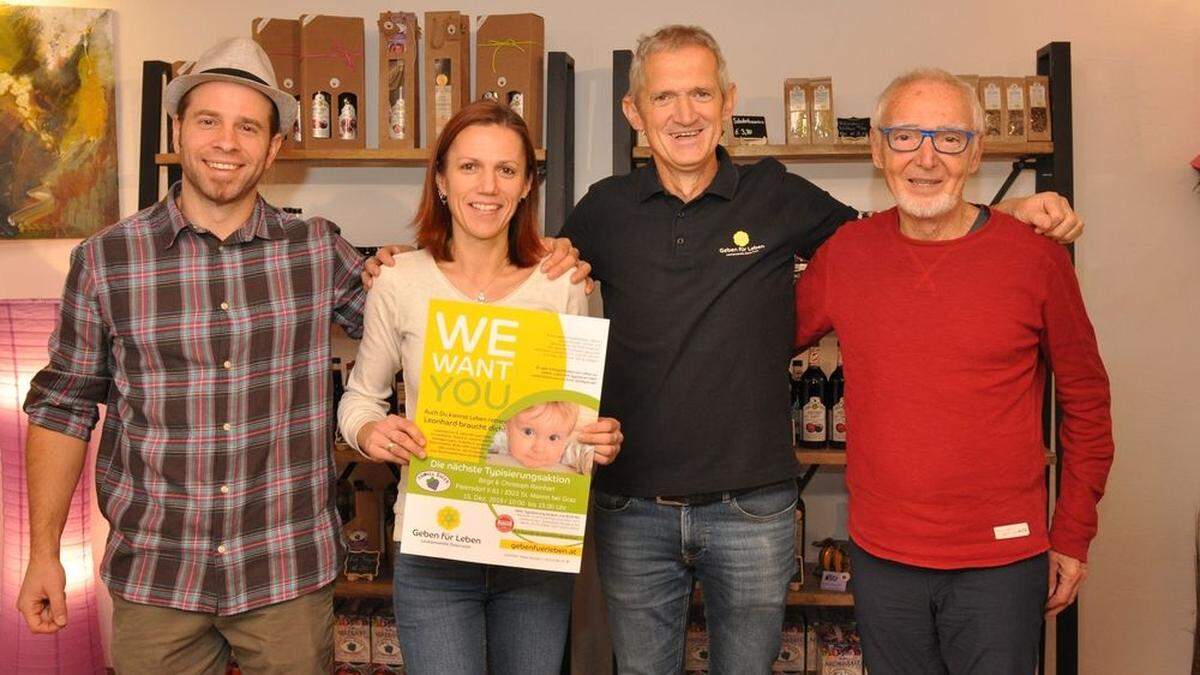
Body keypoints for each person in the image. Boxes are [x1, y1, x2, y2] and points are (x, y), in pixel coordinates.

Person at [15, 38, 586, 674]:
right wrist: (43, 552)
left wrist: (540, 274)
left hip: (284, 579)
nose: (227, 142)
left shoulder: (316, 252)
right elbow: (62, 408)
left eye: (248, 126)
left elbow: (434, 329)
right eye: (209, 121)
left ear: (275, 146)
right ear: (178, 130)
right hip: (158, 578)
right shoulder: (107, 260)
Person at [556, 25, 1087, 674]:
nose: (686, 114)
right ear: (634, 112)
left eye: (701, 93)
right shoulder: (601, 211)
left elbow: (900, 232)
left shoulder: (777, 194)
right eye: (664, 97)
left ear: (728, 101)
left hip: (751, 507)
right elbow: (523, 290)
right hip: (629, 504)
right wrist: (403, 267)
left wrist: (1006, 215)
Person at [793, 68, 1114, 674]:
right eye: (907, 136)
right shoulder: (847, 256)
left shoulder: (1036, 260)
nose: (926, 157)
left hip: (1002, 560)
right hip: (883, 556)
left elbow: (1088, 401)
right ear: (878, 149)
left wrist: (1072, 532)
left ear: (976, 153)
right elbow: (755, 341)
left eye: (949, 138)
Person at [336, 100, 623, 675]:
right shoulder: (398, 279)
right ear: (441, 179)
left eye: (506, 170)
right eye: (469, 167)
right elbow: (359, 400)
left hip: (534, 547)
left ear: (525, 187)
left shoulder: (562, 282)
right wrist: (372, 431)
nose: (487, 186)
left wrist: (598, 439)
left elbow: (575, 414)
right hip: (436, 547)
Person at [487, 401, 594, 474]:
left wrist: (592, 462)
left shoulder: (564, 452)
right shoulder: (501, 440)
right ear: (507, 426)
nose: (539, 448)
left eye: (553, 438)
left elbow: (587, 454)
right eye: (528, 432)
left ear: (566, 438)